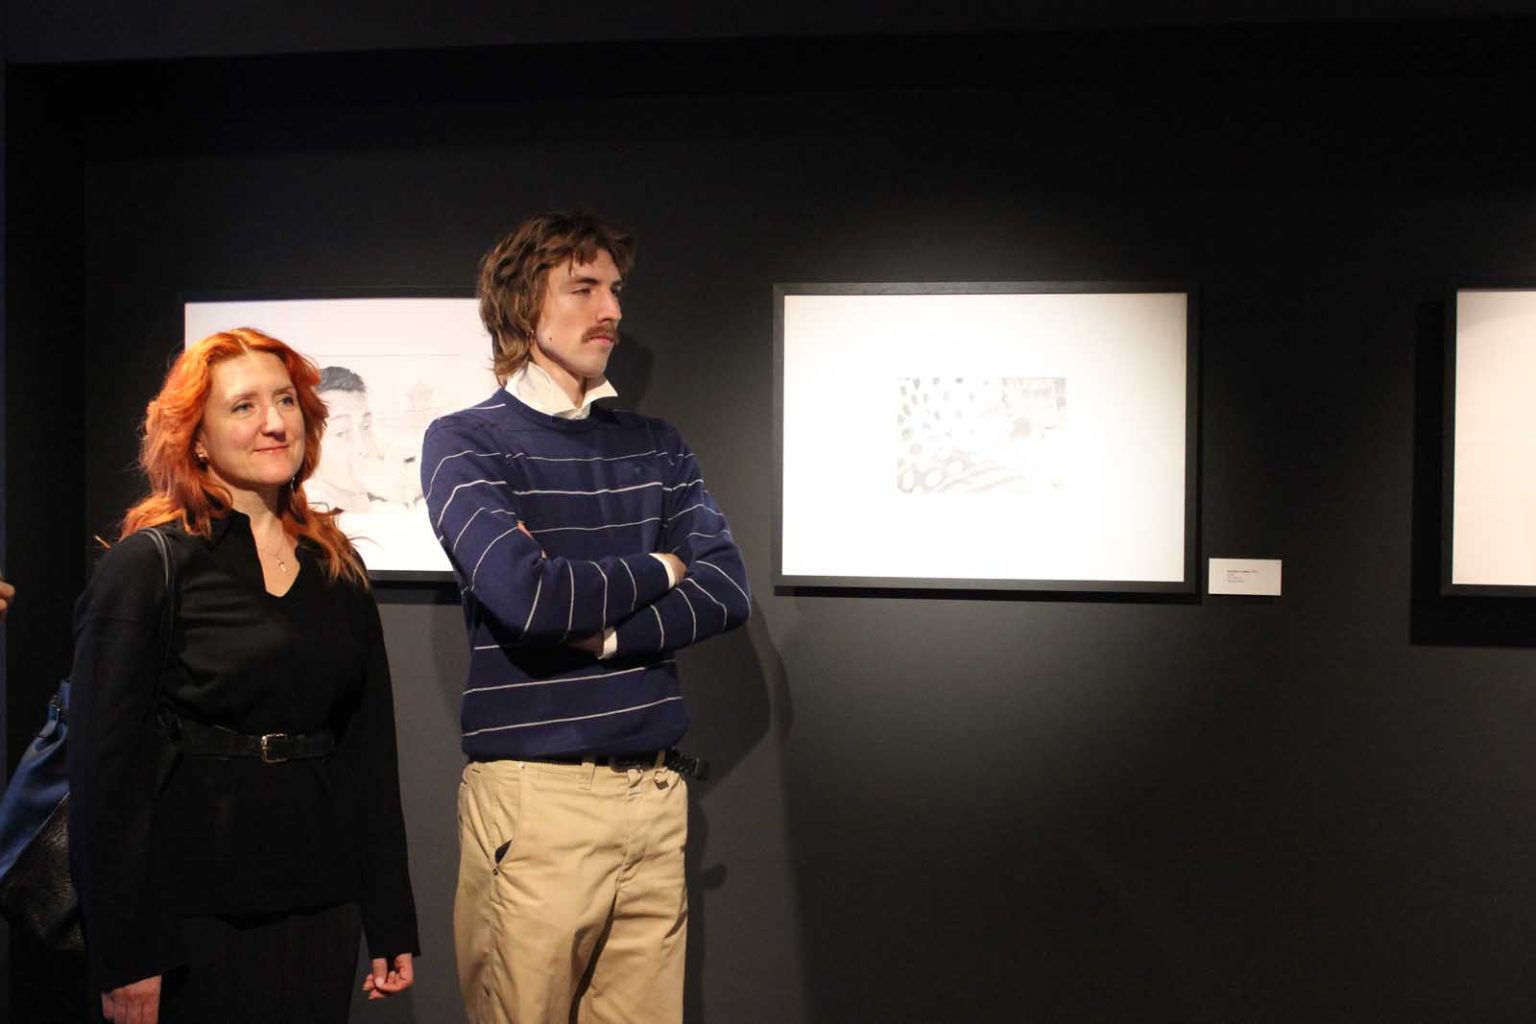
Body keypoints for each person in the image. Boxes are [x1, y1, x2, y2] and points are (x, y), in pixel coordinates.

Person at [421, 210, 751, 1023]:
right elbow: (530, 598)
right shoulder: (465, 442)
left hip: (655, 795)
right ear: (522, 304)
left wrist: (608, 634)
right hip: (538, 803)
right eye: (583, 288)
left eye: (615, 289)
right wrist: (661, 567)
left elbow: (726, 588)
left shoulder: (657, 444)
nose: (611, 310)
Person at [68, 328, 419, 1023]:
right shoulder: (149, 565)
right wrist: (125, 950)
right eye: (244, 406)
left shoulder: (336, 566)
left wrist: (389, 913)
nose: (275, 422)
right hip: (189, 911)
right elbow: (104, 777)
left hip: (321, 901)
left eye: (285, 401)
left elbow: (368, 751)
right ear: (196, 438)